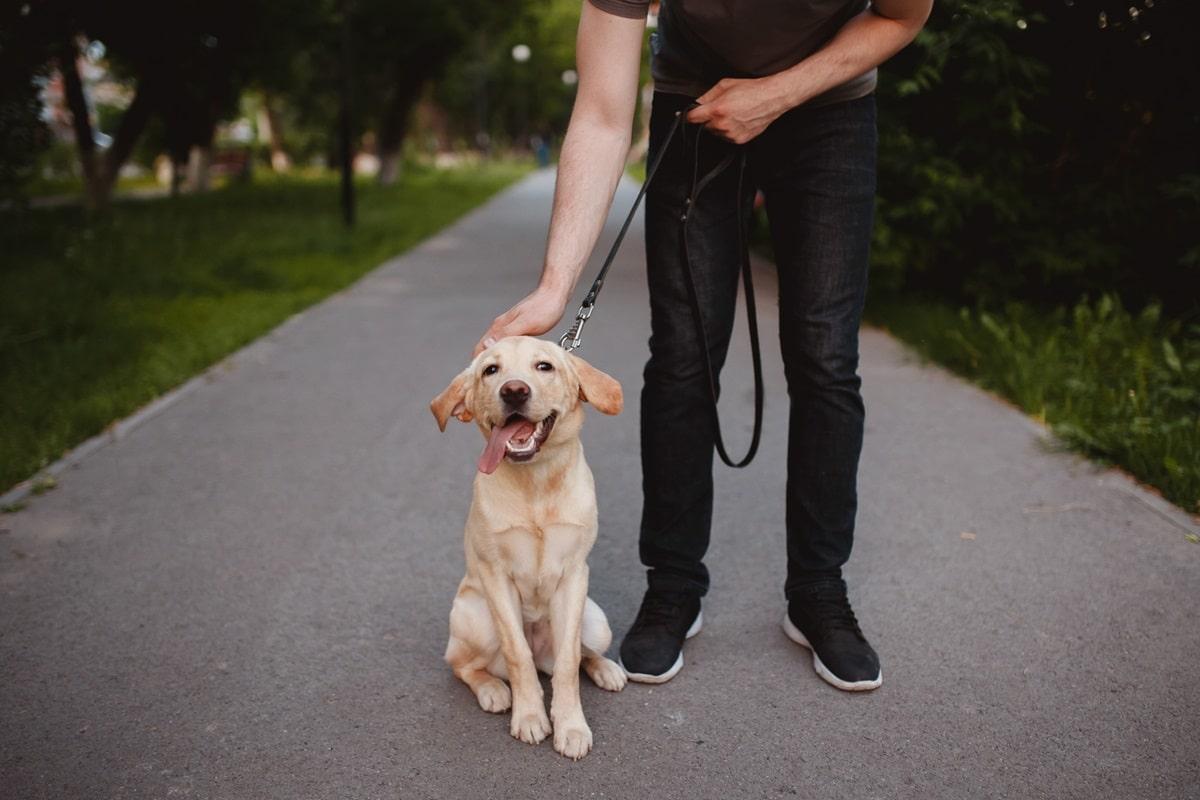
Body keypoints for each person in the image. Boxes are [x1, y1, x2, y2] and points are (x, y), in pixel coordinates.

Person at [475, 0, 932, 691]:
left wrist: (776, 94)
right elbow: (602, 114)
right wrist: (554, 285)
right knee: (684, 356)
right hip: (696, 108)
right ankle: (674, 585)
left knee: (825, 356)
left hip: (831, 110)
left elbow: (899, 17)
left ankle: (818, 592)